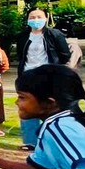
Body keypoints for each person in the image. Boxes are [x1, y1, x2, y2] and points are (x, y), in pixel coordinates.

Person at [16, 8, 71, 150]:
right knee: (28, 107)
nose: (35, 20)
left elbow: (65, 54)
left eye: (39, 16)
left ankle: (55, 139)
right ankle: (30, 142)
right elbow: (21, 56)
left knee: (53, 107)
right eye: (32, 17)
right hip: (28, 77)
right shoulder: (23, 36)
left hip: (49, 77)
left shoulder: (54, 34)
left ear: (46, 18)